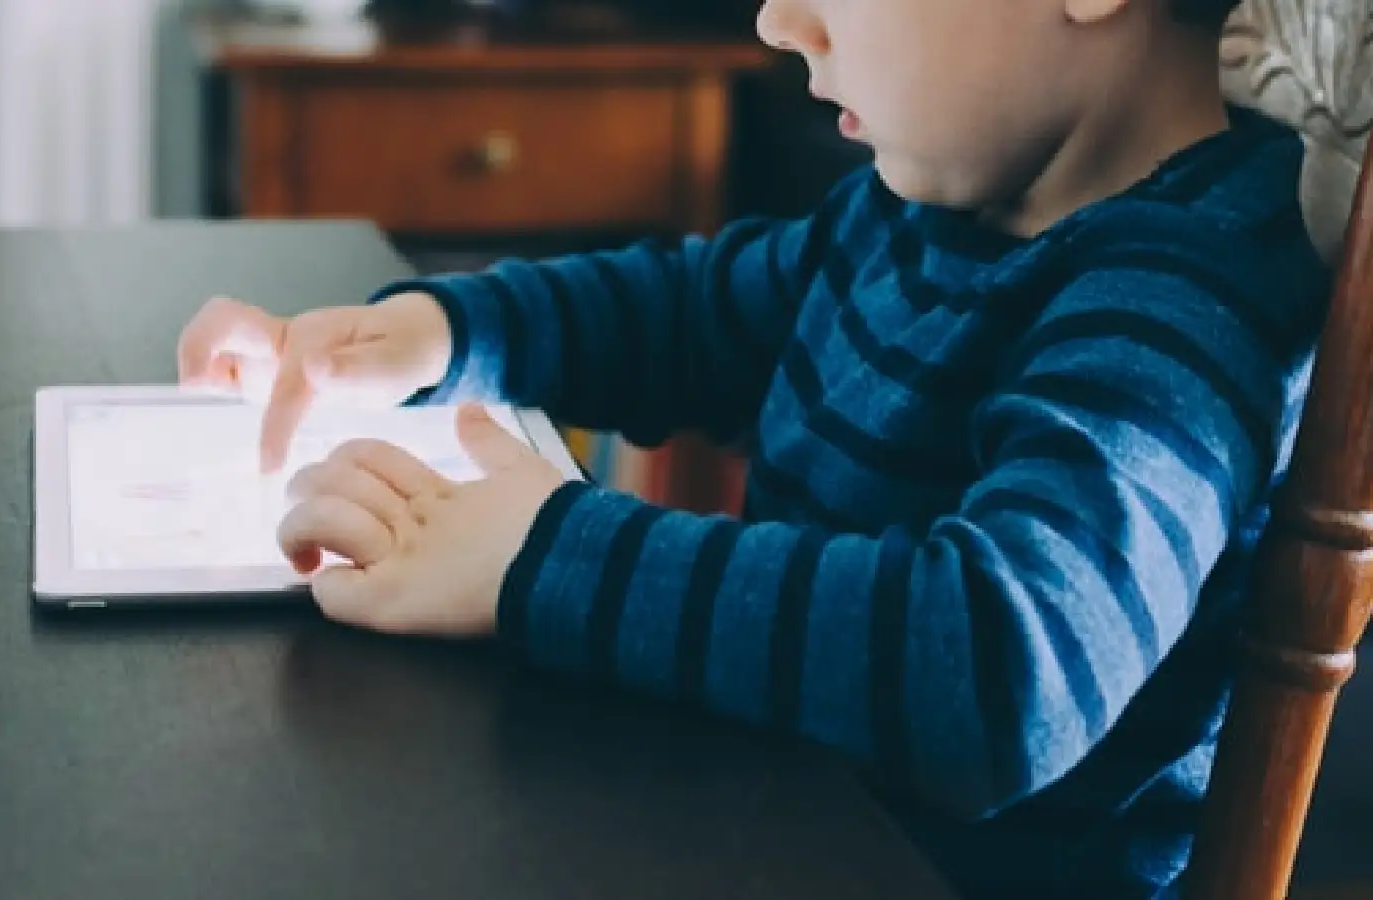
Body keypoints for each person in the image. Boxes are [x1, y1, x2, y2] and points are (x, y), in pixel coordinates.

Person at [175, 0, 1332, 896]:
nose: (780, 21)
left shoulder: (1187, 295)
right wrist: (439, 332)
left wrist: (542, 549)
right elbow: (692, 314)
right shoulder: (929, 208)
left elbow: (1003, 668)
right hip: (777, 821)